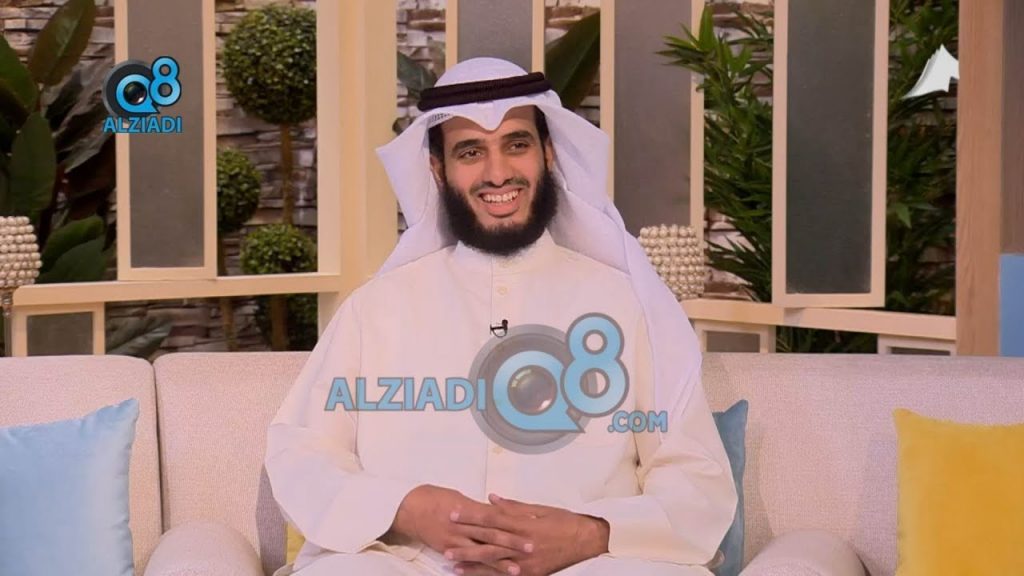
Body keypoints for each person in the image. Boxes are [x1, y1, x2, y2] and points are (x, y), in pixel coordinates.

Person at [265, 57, 737, 576]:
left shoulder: (626, 304)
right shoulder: (375, 310)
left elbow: (694, 477)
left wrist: (591, 533)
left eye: (516, 144)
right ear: (438, 169)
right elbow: (303, 453)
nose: (497, 173)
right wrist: (407, 509)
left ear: (548, 153)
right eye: (470, 152)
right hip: (414, 565)